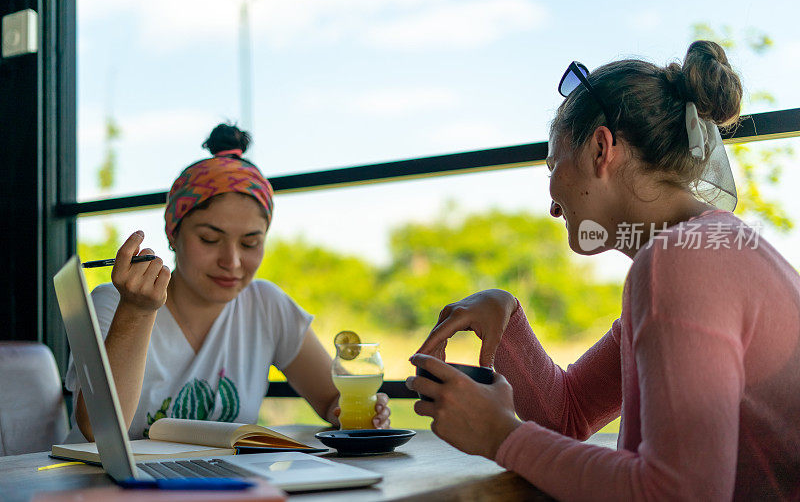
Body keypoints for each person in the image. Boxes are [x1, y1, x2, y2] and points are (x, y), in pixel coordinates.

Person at [407, 41, 800, 500]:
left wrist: (501, 437)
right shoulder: (704, 250)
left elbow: (678, 494)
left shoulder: (682, 263)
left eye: (553, 165)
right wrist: (506, 317)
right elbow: (568, 415)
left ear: (600, 148)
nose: (553, 205)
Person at [64, 123, 390, 442]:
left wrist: (359, 411)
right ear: (172, 234)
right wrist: (136, 311)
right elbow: (99, 429)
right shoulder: (113, 303)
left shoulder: (265, 305)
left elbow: (333, 399)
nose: (231, 262)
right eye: (209, 239)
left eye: (250, 243)